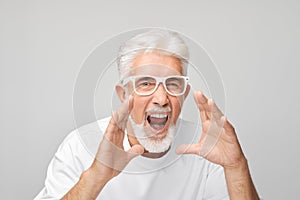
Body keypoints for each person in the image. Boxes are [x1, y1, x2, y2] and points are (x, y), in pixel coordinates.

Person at [34, 29, 260, 200]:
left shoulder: (208, 149)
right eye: (145, 83)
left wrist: (236, 167)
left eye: (172, 84)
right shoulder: (79, 147)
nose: (161, 99)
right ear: (123, 95)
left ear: (184, 94)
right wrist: (96, 175)